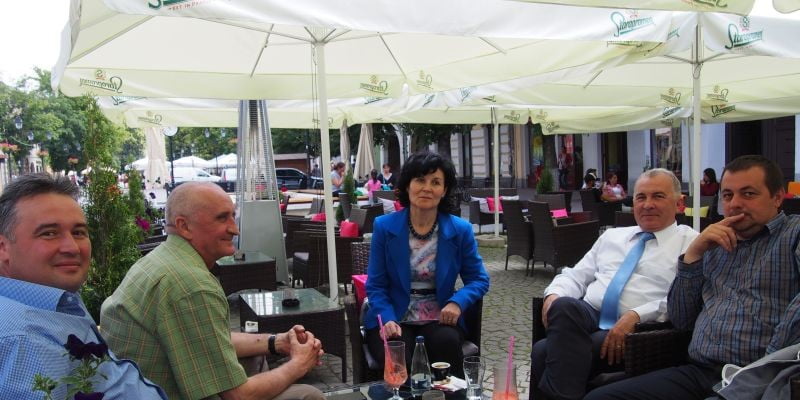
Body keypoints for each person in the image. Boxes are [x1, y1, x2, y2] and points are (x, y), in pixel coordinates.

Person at [585, 155, 800, 400]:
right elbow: (681, 319)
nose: (735, 204)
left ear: (777, 197)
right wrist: (693, 256)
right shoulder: (714, 244)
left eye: (748, 194)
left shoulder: (793, 234)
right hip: (699, 371)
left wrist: (764, 369)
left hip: (763, 379)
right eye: (727, 195)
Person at [101, 182, 325, 400]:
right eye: (222, 218)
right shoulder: (191, 285)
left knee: (255, 358)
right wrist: (299, 364)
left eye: (233, 216)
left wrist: (277, 342)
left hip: (135, 387)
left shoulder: (161, 259)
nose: (235, 229)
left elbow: (209, 338)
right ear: (184, 226)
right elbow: (239, 396)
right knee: (308, 395)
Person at [531, 168, 699, 400]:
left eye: (658, 196)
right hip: (590, 313)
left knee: (543, 351)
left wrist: (636, 315)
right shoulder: (612, 236)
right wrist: (554, 294)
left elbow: (685, 298)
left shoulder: (691, 244)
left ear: (679, 204)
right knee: (563, 305)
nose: (647, 204)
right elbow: (575, 275)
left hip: (641, 329)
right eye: (641, 197)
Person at [0, 173, 166, 399]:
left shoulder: (51, 301)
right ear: (3, 248)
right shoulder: (24, 340)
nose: (72, 248)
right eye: (49, 233)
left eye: (78, 232)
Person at [364, 152, 490, 377]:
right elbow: (375, 285)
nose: (427, 188)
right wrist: (387, 318)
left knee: (446, 345)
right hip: (394, 314)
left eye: (436, 182)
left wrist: (457, 303)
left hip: (439, 315)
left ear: (444, 190)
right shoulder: (384, 227)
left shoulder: (460, 230)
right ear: (407, 186)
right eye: (420, 180)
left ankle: (451, 392)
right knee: (398, 356)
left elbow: (479, 279)